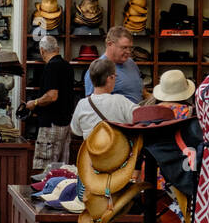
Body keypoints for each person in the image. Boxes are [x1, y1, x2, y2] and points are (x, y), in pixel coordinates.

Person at [25, 36, 75, 171]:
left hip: (50, 125)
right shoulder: (67, 66)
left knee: (45, 169)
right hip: (65, 124)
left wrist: (34, 103)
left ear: (42, 51)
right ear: (57, 49)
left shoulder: (51, 67)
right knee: (61, 169)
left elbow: (52, 96)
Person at [71, 57, 137, 138]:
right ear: (110, 78)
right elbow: (138, 118)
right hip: (117, 149)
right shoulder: (120, 101)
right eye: (115, 76)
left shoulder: (82, 104)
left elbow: (76, 131)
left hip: (92, 150)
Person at [82, 26, 144, 103]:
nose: (128, 52)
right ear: (110, 44)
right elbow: (94, 104)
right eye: (124, 47)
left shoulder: (131, 63)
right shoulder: (98, 69)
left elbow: (138, 88)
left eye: (130, 48)